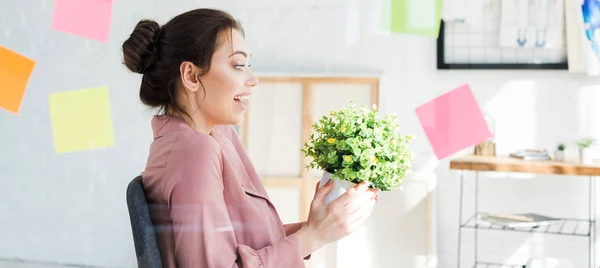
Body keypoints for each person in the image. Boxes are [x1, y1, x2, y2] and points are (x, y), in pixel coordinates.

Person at [121, 8, 378, 268]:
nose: (253, 80)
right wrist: (312, 236)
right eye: (238, 65)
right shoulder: (193, 151)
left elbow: (244, 243)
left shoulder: (216, 136)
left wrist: (319, 227)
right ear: (190, 76)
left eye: (249, 66)